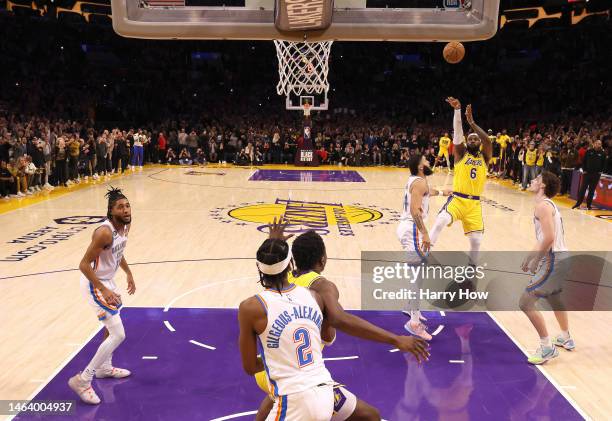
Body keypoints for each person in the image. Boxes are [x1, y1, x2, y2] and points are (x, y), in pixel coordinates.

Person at [254, 220, 430, 421]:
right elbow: (340, 319)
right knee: (370, 416)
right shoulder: (321, 286)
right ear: (322, 260)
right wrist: (395, 339)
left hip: (267, 369)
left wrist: (273, 240)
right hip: (294, 376)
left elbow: (272, 266)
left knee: (277, 392)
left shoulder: (284, 278)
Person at [239, 238, 335, 421]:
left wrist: (280, 357)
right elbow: (328, 337)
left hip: (294, 399)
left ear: (258, 268)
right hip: (325, 390)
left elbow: (250, 367)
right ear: (290, 263)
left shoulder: (251, 307)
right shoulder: (315, 296)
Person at [68, 187, 136, 404]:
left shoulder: (125, 227)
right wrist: (103, 289)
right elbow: (83, 264)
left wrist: (128, 272)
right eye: (120, 207)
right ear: (111, 211)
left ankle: (104, 368)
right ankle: (83, 379)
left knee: (111, 328)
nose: (125, 210)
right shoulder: (104, 232)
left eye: (127, 205)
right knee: (118, 333)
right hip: (93, 282)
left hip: (107, 281)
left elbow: (118, 251)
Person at [429, 97, 492, 272]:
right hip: (458, 200)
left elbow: (488, 141)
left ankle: (471, 267)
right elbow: (457, 134)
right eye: (470, 139)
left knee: (477, 240)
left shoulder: (484, 157)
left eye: (475, 139)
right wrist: (457, 111)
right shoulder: (460, 154)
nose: (472, 141)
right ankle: (424, 254)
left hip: (474, 205)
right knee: (441, 220)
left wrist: (472, 123)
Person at [520, 172, 574, 364]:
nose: (533, 180)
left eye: (537, 179)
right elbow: (544, 237)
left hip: (554, 259)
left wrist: (537, 260)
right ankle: (565, 337)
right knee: (554, 297)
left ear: (542, 185)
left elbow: (549, 237)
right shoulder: (547, 205)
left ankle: (546, 348)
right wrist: (530, 256)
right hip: (561, 257)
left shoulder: (543, 206)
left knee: (525, 302)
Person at [397, 153, 451, 339]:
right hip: (413, 229)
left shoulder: (418, 181)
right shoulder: (419, 182)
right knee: (418, 274)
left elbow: (429, 191)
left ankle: (410, 307)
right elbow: (414, 210)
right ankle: (413, 322)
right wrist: (425, 232)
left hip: (408, 229)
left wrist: (445, 192)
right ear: (421, 167)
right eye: (426, 160)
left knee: (419, 272)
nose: (429, 162)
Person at [572, 139, 607, 210]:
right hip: (587, 173)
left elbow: (604, 164)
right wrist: (584, 170)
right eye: (597, 143)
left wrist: (601, 171)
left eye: (600, 144)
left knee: (592, 190)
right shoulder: (588, 151)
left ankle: (589, 205)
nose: (598, 145)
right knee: (582, 189)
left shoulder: (603, 153)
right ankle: (578, 203)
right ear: (594, 144)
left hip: (596, 175)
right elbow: (584, 161)